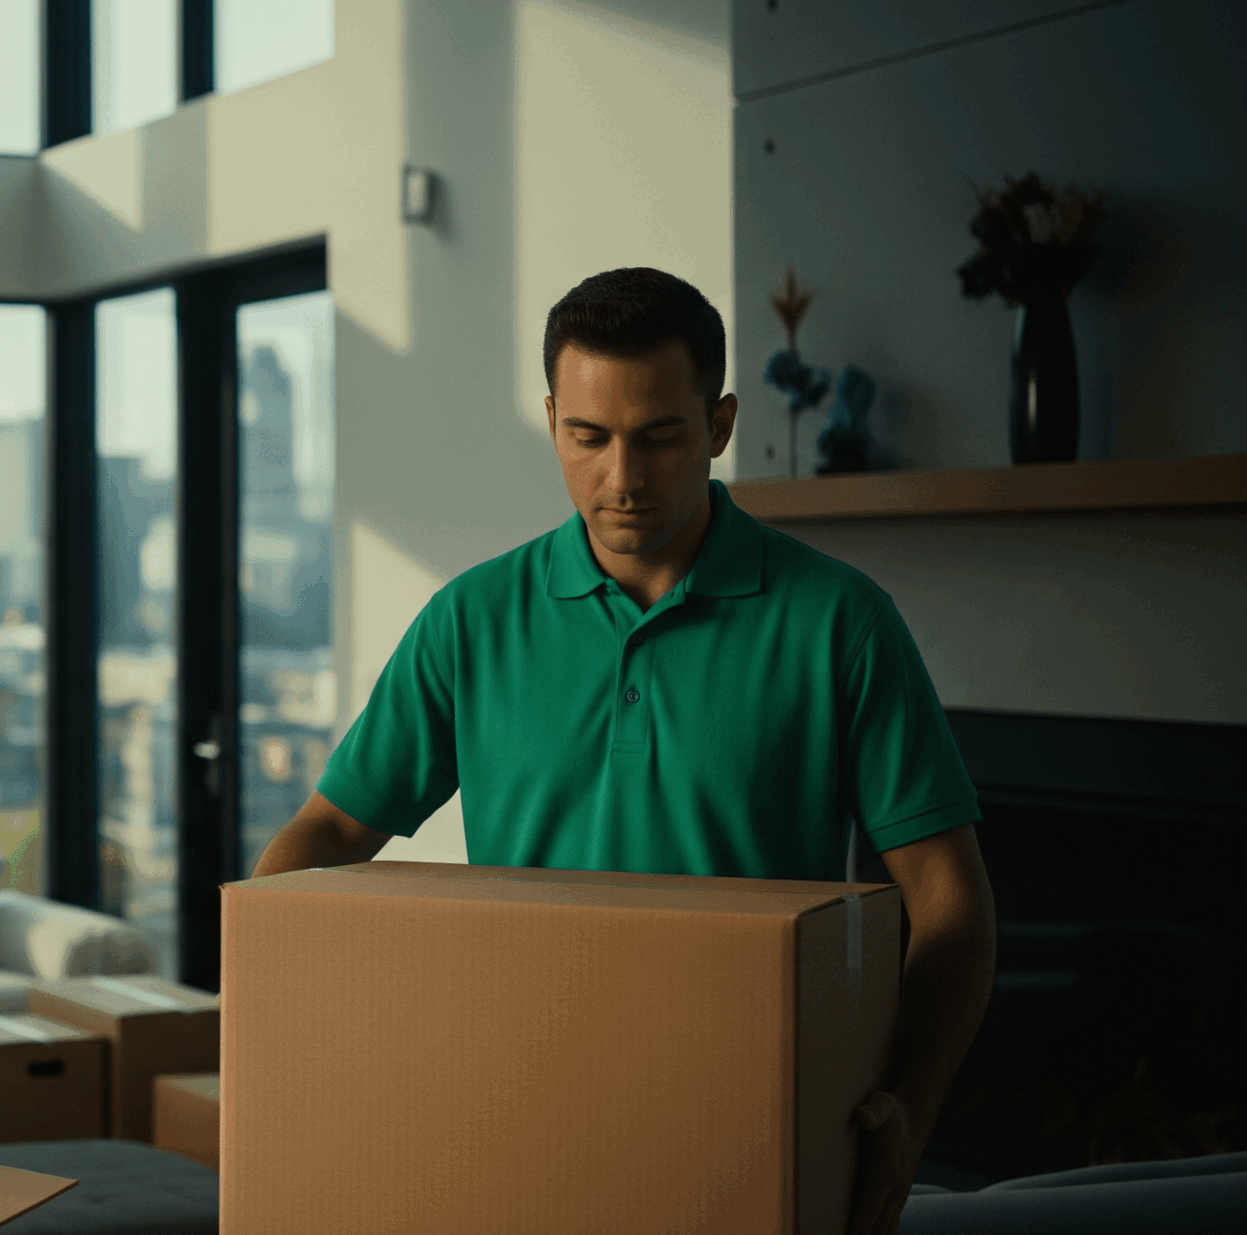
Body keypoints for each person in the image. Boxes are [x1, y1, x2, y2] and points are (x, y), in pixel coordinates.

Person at [252, 268, 997, 1235]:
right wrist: (286, 1045)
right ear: (553, 418)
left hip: (755, 1125)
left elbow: (950, 901)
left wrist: (909, 1105)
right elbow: (329, 830)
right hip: (512, 1118)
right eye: (588, 439)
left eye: (661, 437)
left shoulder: (842, 624)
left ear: (720, 424)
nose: (623, 480)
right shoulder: (469, 621)